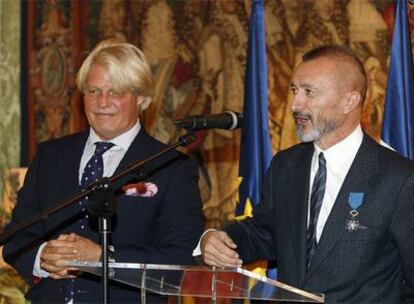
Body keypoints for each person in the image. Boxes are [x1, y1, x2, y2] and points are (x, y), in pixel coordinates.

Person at [199, 45, 414, 303]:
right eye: (294, 90)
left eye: (309, 92)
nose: (295, 104)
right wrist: (217, 239)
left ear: (350, 101)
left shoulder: (399, 178)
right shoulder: (286, 166)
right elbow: (265, 232)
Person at [3, 40, 204, 303]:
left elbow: (180, 261)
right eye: (94, 90)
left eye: (116, 92)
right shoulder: (50, 156)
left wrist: (102, 258)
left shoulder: (171, 167)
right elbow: (16, 237)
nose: (102, 102)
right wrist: (42, 257)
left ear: (141, 98)